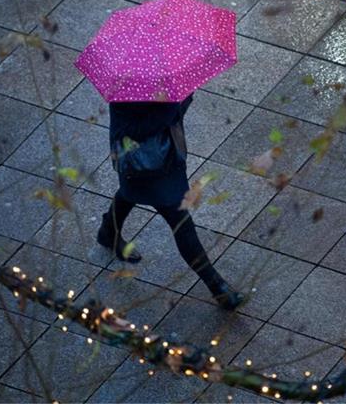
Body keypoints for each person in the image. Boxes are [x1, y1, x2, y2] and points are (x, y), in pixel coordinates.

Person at [96, 93, 244, 311]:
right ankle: (217, 287)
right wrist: (171, 109)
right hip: (144, 166)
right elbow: (132, 130)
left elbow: (173, 117)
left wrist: (181, 101)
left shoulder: (159, 81)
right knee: (181, 223)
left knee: (129, 194)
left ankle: (108, 232)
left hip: (163, 162)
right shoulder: (126, 90)